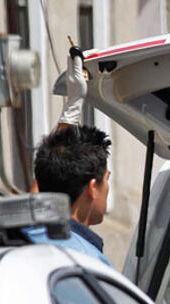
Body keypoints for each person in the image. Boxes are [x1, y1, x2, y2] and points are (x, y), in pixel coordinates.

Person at [26, 47, 113, 266]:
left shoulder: (23, 237)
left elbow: (48, 177)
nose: (108, 187)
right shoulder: (89, 263)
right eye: (107, 179)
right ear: (92, 188)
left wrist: (73, 107)